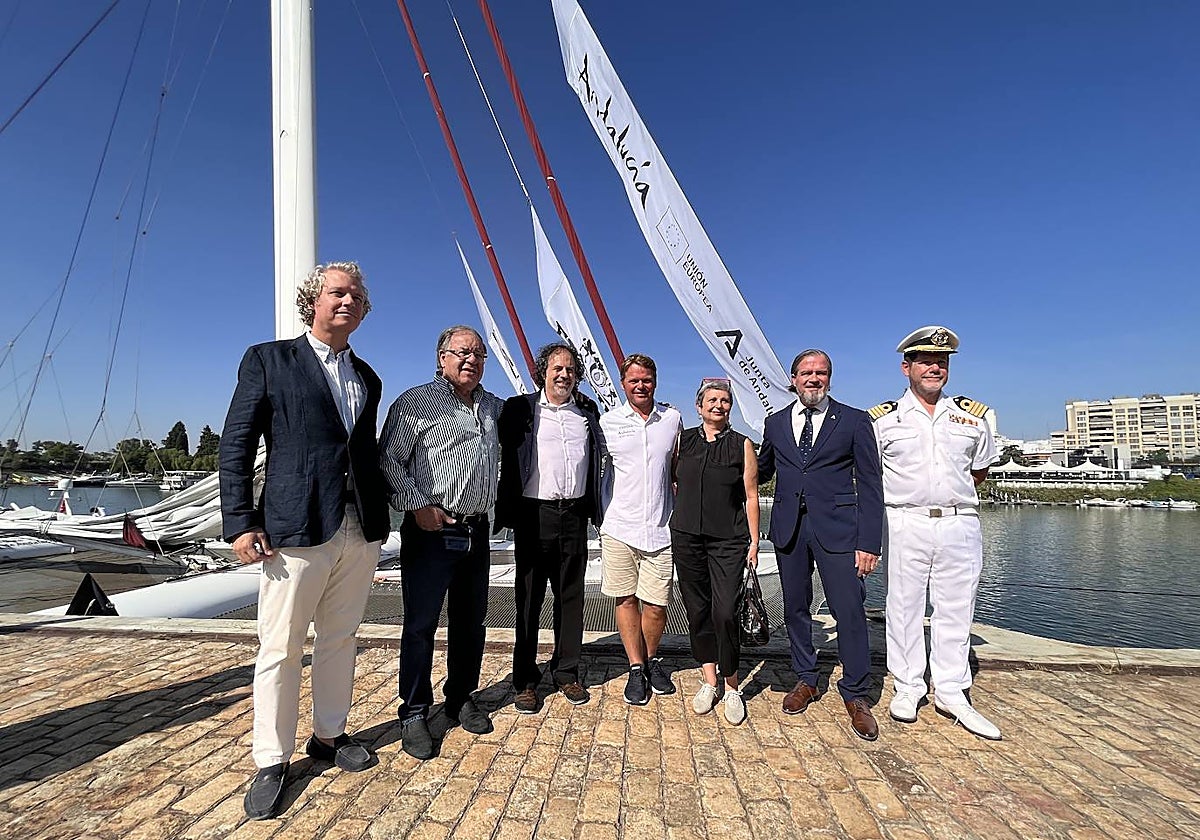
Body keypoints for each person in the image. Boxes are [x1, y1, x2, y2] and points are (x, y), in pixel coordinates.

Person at [219, 261, 390, 820]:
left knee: (340, 638)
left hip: (356, 528)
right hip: (293, 527)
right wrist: (241, 520)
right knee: (280, 646)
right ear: (312, 301)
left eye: (357, 295)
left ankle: (328, 735)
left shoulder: (368, 377)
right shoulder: (269, 360)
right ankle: (271, 759)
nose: (349, 301)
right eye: (338, 292)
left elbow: (359, 451)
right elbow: (237, 443)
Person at [378, 326, 504, 759]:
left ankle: (459, 696)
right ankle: (414, 710)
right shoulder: (413, 402)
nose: (471, 359)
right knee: (420, 625)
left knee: (471, 622)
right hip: (432, 530)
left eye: (479, 353)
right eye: (462, 352)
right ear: (441, 357)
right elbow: (389, 460)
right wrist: (416, 504)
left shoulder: (492, 407)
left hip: (477, 529)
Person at [872, 325, 1001, 740]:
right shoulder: (884, 419)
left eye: (941, 361)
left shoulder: (974, 416)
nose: (935, 367)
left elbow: (978, 470)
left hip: (960, 521)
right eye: (926, 360)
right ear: (905, 367)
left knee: (956, 607)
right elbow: (872, 475)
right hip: (905, 520)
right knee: (904, 607)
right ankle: (908, 685)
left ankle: (950, 690)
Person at [757, 349, 884, 741]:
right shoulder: (775, 423)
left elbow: (870, 484)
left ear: (829, 378)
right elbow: (759, 472)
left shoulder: (854, 420)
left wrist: (869, 543)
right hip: (790, 529)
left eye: (821, 372)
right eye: (806, 373)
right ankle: (806, 678)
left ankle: (856, 693)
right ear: (793, 379)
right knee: (795, 608)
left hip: (839, 532)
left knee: (848, 610)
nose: (813, 378)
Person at [496, 342, 604, 713]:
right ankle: (525, 680)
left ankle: (566, 671)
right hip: (532, 514)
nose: (564, 374)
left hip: (574, 515)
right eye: (557, 368)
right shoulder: (519, 409)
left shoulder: (587, 412)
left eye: (571, 370)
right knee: (527, 600)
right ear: (542, 372)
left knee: (571, 598)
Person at [670, 378, 759, 725]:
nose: (718, 405)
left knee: (725, 611)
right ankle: (710, 681)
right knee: (698, 611)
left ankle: (733, 685)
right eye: (712, 400)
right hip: (687, 537)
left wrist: (753, 541)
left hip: (729, 540)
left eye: (724, 400)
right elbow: (672, 480)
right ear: (699, 405)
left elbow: (751, 495)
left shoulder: (742, 444)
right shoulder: (684, 441)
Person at [598, 354, 683, 705]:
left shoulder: (673, 419)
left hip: (661, 527)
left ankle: (648, 660)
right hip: (619, 525)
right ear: (623, 384)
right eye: (633, 380)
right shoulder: (607, 422)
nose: (640, 385)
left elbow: (678, 469)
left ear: (655, 381)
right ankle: (637, 668)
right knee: (626, 599)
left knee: (657, 605)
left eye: (646, 379)